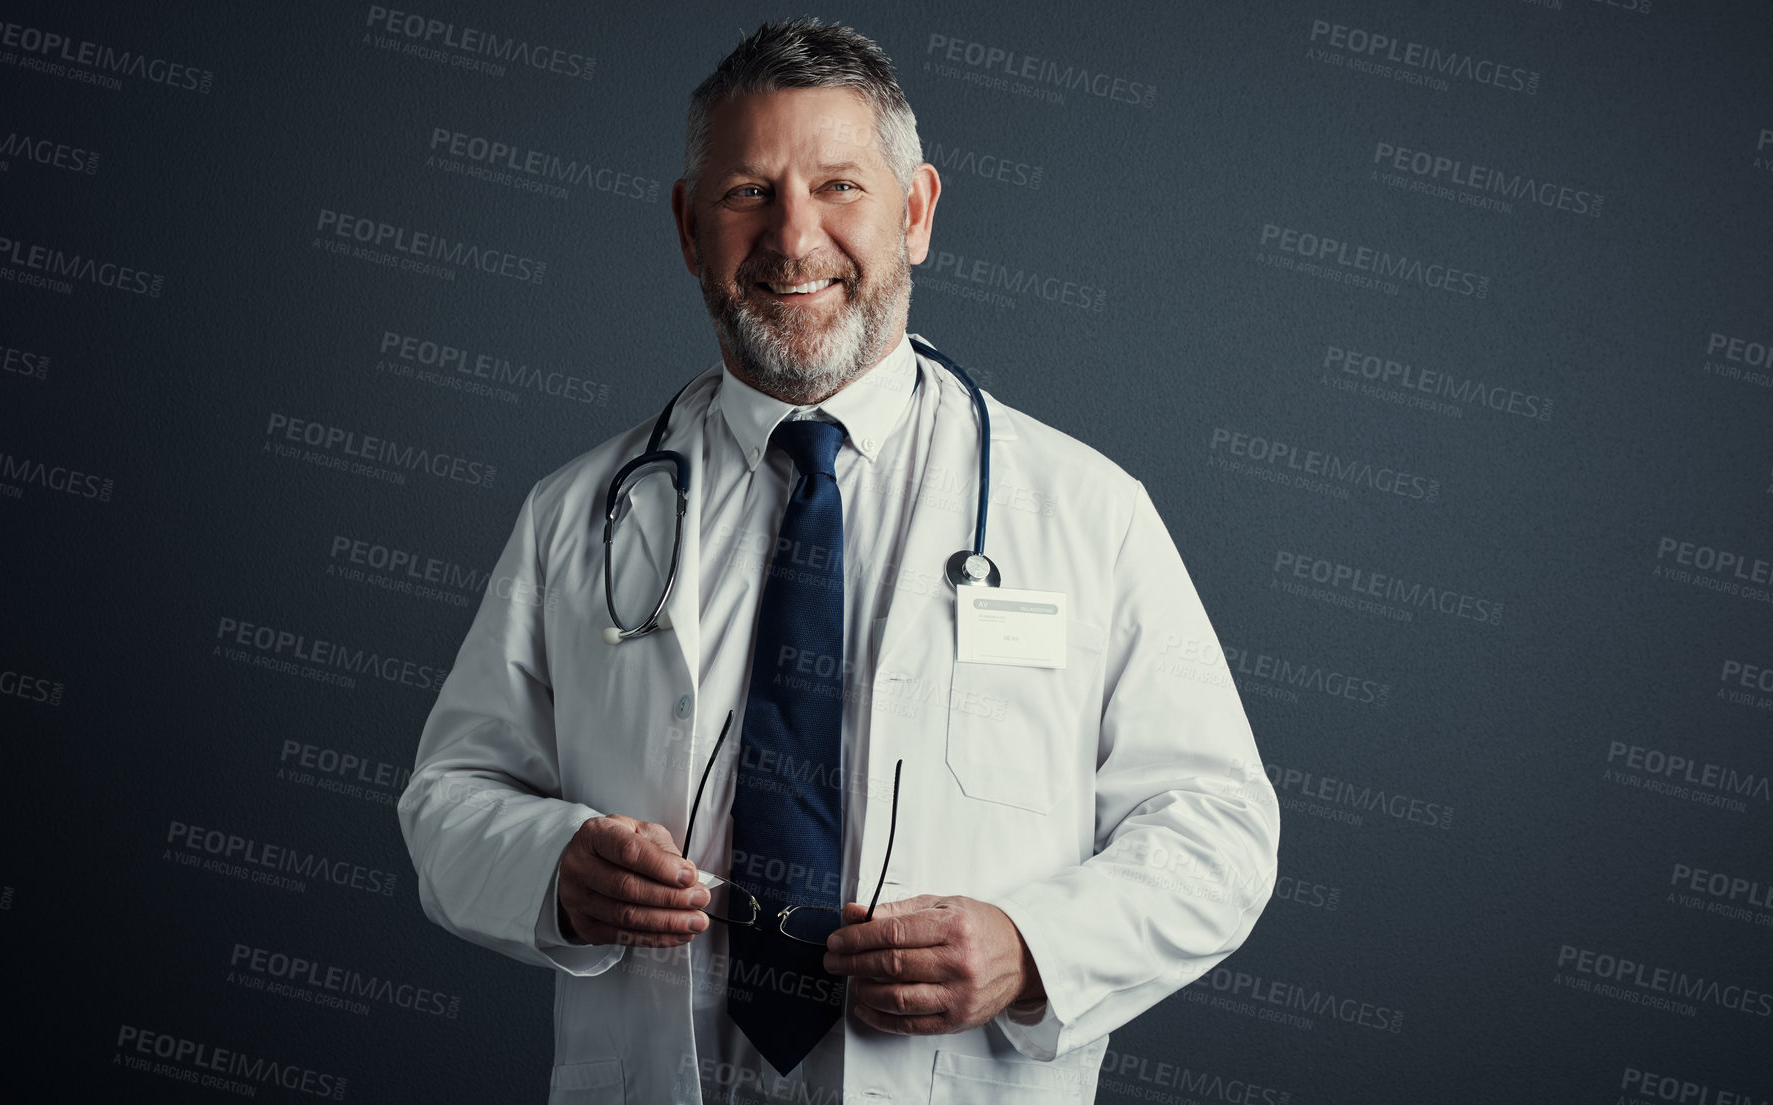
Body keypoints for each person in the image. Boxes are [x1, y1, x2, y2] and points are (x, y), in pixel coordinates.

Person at [399, 17, 1279, 1105]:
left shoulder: (1086, 513)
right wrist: (553, 870)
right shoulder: (572, 514)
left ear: (914, 213)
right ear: (687, 227)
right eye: (745, 194)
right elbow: (447, 800)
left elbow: (1217, 829)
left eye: (838, 187)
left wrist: (1033, 947)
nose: (792, 238)